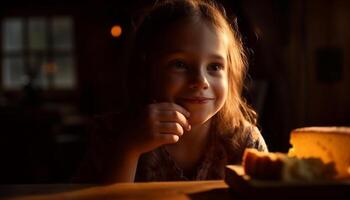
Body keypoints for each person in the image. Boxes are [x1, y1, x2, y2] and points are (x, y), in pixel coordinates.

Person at [74, 0, 268, 183]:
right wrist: (129, 149)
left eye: (215, 67)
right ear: (145, 70)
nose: (201, 81)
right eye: (180, 64)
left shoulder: (245, 143)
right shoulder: (111, 135)